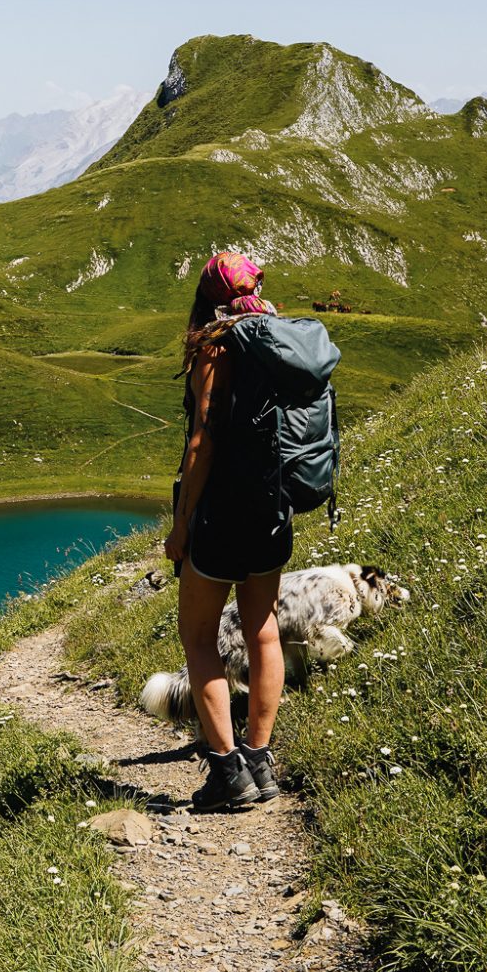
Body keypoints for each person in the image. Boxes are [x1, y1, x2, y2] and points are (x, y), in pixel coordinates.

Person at [163, 251, 290, 812]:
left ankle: (226, 772)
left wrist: (181, 523)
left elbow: (202, 443)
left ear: (209, 296)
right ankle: (260, 762)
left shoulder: (213, 347)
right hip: (273, 504)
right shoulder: (280, 334)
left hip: (222, 512)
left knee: (198, 635)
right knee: (263, 629)